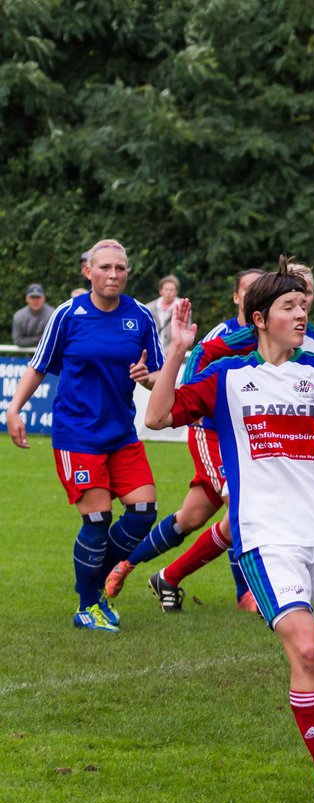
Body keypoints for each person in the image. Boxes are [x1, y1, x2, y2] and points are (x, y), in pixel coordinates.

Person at [146, 259, 314, 803]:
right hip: (267, 535)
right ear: (258, 318)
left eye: (304, 307)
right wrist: (176, 352)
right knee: (308, 650)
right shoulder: (227, 378)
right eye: (289, 307)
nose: (301, 315)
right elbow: (159, 414)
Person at [5, 239, 163, 632]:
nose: (113, 274)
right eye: (105, 267)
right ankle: (87, 604)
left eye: (121, 268)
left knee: (144, 512)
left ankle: (93, 578)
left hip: (121, 434)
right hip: (77, 434)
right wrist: (12, 409)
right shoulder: (67, 315)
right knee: (97, 519)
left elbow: (158, 376)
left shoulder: (141, 317)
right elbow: (39, 366)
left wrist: (148, 379)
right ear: (88, 272)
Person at [104, 268, 265, 612]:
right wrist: (153, 383)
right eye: (248, 290)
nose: (255, 295)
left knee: (191, 518)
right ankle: (246, 594)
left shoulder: (272, 333)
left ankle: (132, 565)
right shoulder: (224, 336)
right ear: (236, 297)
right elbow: (187, 385)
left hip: (246, 438)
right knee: (242, 508)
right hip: (211, 433)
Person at [146, 275, 180, 351]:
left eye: (172, 290)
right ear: (161, 291)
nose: (169, 292)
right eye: (166, 289)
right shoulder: (149, 308)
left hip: (173, 351)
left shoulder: (182, 309)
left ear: (176, 292)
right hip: (153, 350)